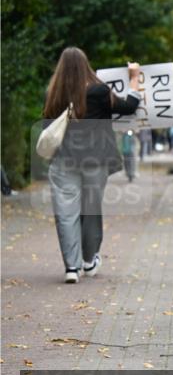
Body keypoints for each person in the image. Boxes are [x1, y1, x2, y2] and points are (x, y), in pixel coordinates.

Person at [42, 48, 143, 283]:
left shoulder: (52, 93)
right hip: (95, 162)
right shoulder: (98, 91)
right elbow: (128, 107)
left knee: (66, 215)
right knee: (90, 210)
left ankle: (71, 267)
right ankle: (89, 261)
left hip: (63, 161)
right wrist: (135, 78)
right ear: (85, 65)